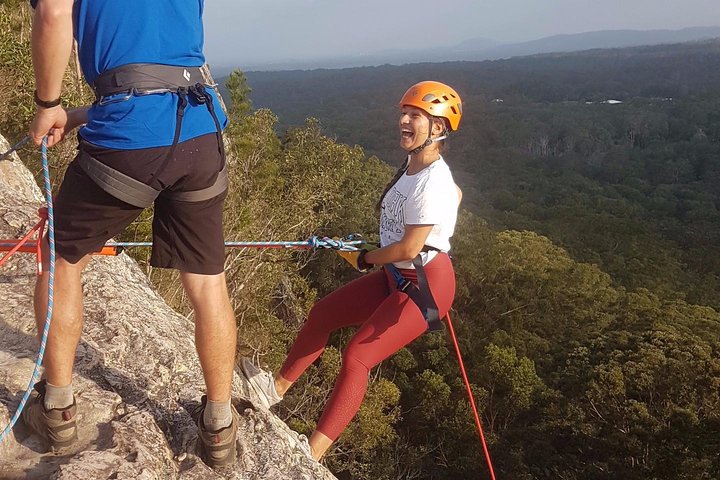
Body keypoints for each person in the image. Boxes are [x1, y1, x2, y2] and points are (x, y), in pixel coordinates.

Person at [24, 0, 238, 468]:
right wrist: (85, 111)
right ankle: (219, 426)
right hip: (201, 126)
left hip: (131, 134)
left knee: (59, 255)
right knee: (206, 280)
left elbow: (54, 15)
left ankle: (57, 408)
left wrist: (49, 104)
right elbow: (159, 54)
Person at [241, 81, 463, 460]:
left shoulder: (433, 181)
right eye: (404, 113)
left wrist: (364, 258)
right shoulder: (417, 170)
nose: (404, 121)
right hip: (398, 274)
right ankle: (272, 392)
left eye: (416, 116)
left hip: (426, 285)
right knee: (323, 314)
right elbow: (453, 195)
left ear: (438, 129)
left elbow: (410, 247)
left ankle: (312, 455)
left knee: (357, 356)